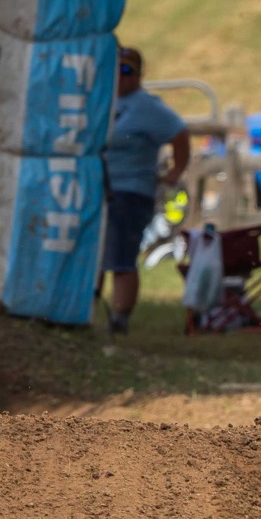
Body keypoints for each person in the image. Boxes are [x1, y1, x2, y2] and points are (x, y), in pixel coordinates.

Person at [100, 47, 190, 335]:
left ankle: (119, 318)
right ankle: (87, 309)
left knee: (121, 255)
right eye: (115, 70)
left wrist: (175, 172)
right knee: (94, 254)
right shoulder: (101, 100)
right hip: (97, 188)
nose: (120, 77)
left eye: (127, 71)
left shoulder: (147, 107)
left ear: (139, 74)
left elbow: (180, 133)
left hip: (130, 191)